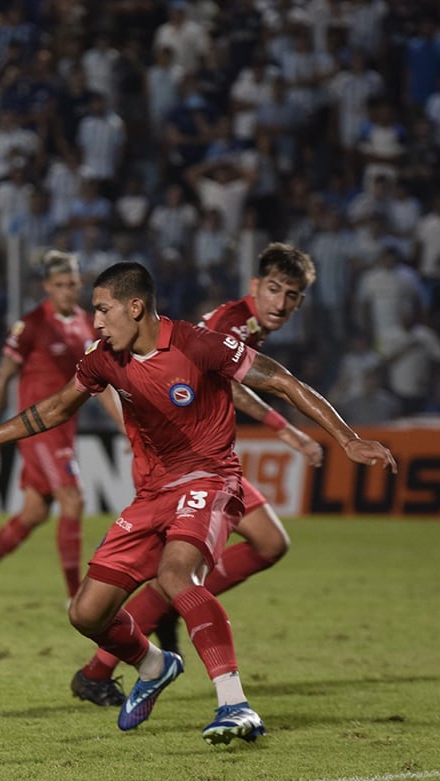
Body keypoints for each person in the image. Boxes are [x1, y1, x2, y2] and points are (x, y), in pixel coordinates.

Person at [0, 261, 396, 744]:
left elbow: (280, 380)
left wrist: (348, 440)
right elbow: (57, 406)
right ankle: (154, 665)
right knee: (86, 613)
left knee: (178, 575)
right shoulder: (104, 357)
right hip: (153, 492)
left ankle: (235, 703)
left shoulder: (198, 343)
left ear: (136, 307)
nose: (97, 322)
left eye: (103, 310)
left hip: (211, 478)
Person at [69, 243, 328, 706]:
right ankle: (105, 665)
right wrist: (289, 433)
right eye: (274, 290)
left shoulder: (245, 326)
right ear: (255, 287)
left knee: (261, 546)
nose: (281, 303)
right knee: (182, 572)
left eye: (291, 295)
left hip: (201, 461)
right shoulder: (230, 325)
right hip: (180, 464)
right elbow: (231, 381)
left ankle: (136, 640)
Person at [0, 250, 120, 612]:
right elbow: (2, 379)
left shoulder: (87, 324)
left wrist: (126, 426)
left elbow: (101, 384)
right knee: (73, 500)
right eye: (59, 285)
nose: (67, 291)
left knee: (34, 513)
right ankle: (76, 596)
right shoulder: (31, 325)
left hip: (65, 429)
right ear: (46, 286)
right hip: (39, 429)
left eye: (72, 284)